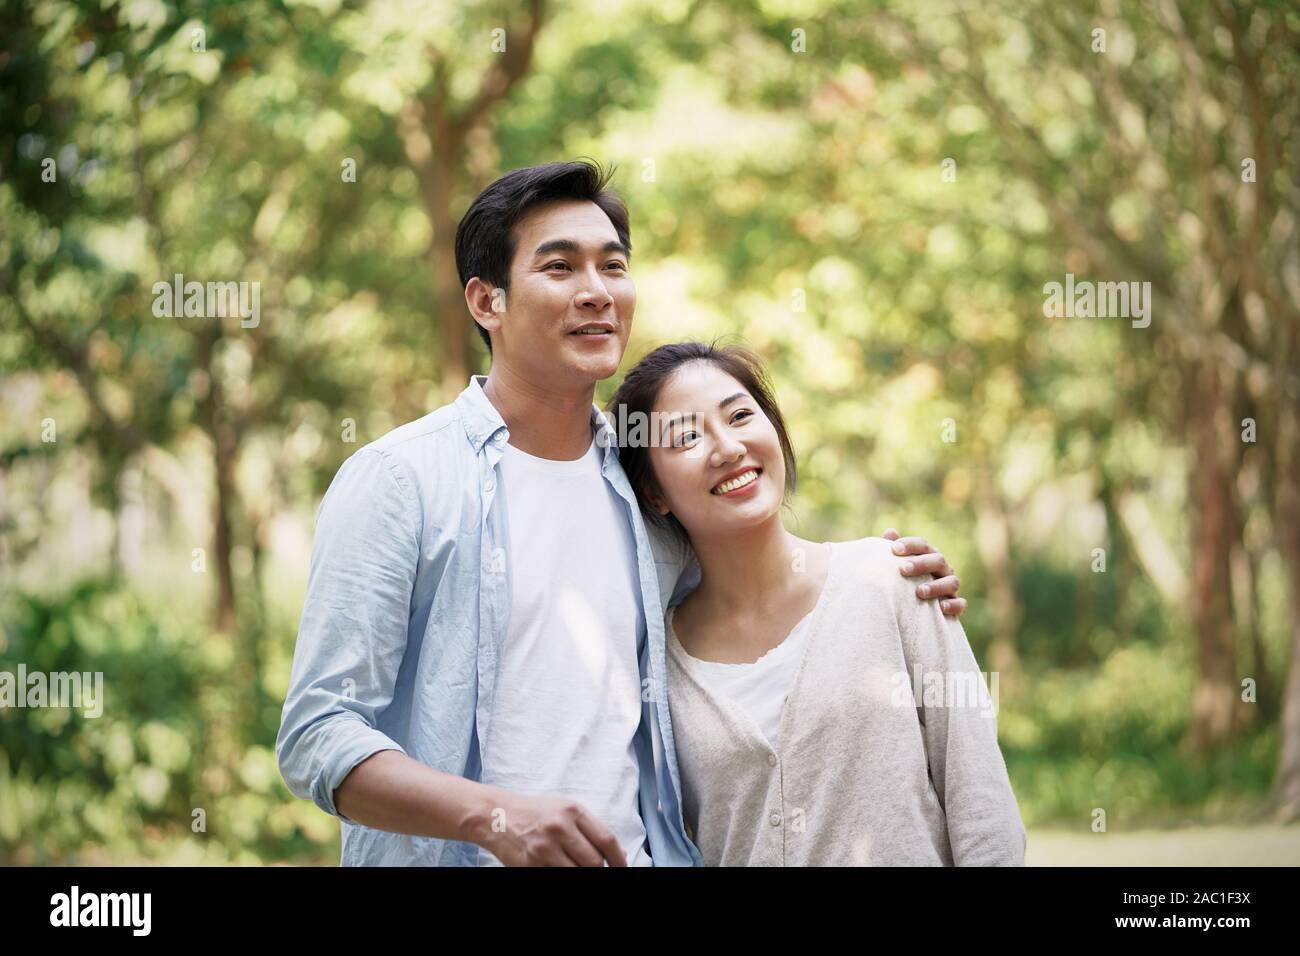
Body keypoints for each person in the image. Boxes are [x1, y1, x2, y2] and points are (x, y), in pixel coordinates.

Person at [276, 160, 968, 866]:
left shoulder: (647, 483)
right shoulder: (402, 481)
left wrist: (886, 578)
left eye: (613, 266)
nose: (596, 293)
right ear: (488, 302)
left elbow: (757, 579)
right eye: (560, 268)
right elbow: (318, 731)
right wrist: (492, 817)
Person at [609, 341, 1026, 865]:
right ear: (653, 493)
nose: (728, 447)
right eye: (687, 437)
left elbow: (983, 809)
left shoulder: (894, 581)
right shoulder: (658, 666)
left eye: (740, 416)